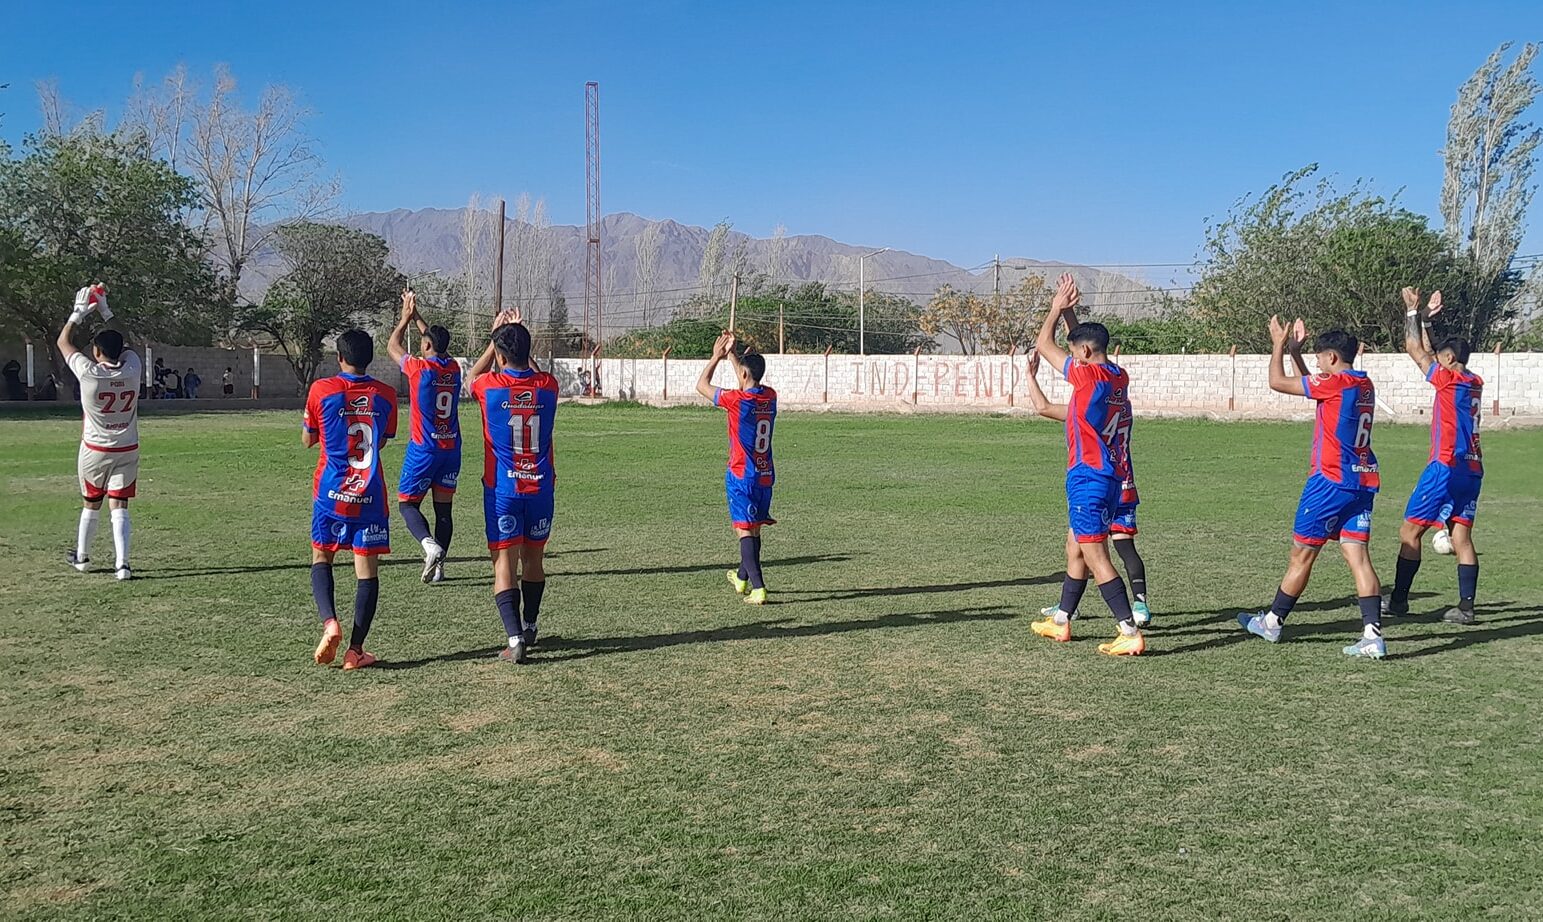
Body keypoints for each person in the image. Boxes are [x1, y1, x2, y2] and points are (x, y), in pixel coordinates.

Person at [1238, 316, 1385, 658]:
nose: (1317, 363)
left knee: (1301, 556)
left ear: (1332, 358)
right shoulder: (1363, 384)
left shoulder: (1334, 385)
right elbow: (1314, 383)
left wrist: (1277, 344)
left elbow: (1278, 382)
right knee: (1359, 558)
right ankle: (1372, 635)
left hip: (1329, 482)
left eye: (1320, 357)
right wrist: (1296, 352)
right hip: (1362, 481)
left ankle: (1272, 622)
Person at [1027, 275, 1145, 655]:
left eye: (1075, 352)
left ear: (1083, 355)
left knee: (1096, 554)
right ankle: (1062, 620)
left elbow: (1043, 344)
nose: (1072, 356)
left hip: (1088, 475)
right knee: (1075, 546)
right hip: (1111, 477)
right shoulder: (1116, 376)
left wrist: (1055, 309)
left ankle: (1129, 631)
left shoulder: (1087, 376)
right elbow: (1083, 344)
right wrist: (1071, 314)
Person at [1386, 288, 1484, 624]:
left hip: (1445, 465)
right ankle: (1466, 607)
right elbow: (1430, 349)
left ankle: (1398, 601)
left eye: (1440, 358)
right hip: (1472, 468)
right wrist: (1428, 319)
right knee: (1461, 536)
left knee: (1409, 533)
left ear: (1449, 361)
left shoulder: (1448, 381)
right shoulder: (1472, 381)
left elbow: (1415, 349)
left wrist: (1413, 312)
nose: (1435, 359)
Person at [303, 329, 398, 671]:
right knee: (367, 572)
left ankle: (330, 623)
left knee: (321, 557)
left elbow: (307, 439)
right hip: (369, 496)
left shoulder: (321, 390)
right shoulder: (386, 394)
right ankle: (355, 650)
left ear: (339, 358)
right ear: (369, 358)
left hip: (330, 493)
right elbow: (382, 442)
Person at [468, 308, 558, 664]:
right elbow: (533, 373)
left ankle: (514, 637)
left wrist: (495, 339)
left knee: (504, 562)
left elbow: (473, 374)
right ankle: (531, 623)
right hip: (541, 488)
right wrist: (515, 340)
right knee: (534, 559)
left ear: (500, 355)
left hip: (503, 490)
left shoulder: (490, 388)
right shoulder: (548, 387)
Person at [58, 285, 140, 581]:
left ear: (95, 351)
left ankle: (81, 557)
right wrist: (106, 311)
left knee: (91, 502)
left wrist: (77, 314)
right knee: (120, 504)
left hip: (95, 449)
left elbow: (63, 341)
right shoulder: (133, 368)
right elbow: (125, 341)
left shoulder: (88, 373)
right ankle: (123, 564)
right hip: (127, 447)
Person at [695, 331, 778, 606]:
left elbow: (702, 385)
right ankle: (742, 577)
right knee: (753, 528)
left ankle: (759, 588)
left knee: (744, 530)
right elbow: (747, 382)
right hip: (765, 474)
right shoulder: (770, 397)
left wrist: (716, 357)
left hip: (742, 474)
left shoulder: (736, 401)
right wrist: (733, 355)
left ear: (742, 375)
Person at [388, 289, 462, 583]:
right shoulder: (453, 368)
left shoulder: (419, 369)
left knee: (407, 504)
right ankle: (441, 566)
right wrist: (419, 317)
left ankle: (428, 545)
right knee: (443, 510)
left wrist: (405, 318)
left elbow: (392, 345)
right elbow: (434, 343)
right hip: (451, 448)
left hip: (424, 448)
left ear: (426, 345)